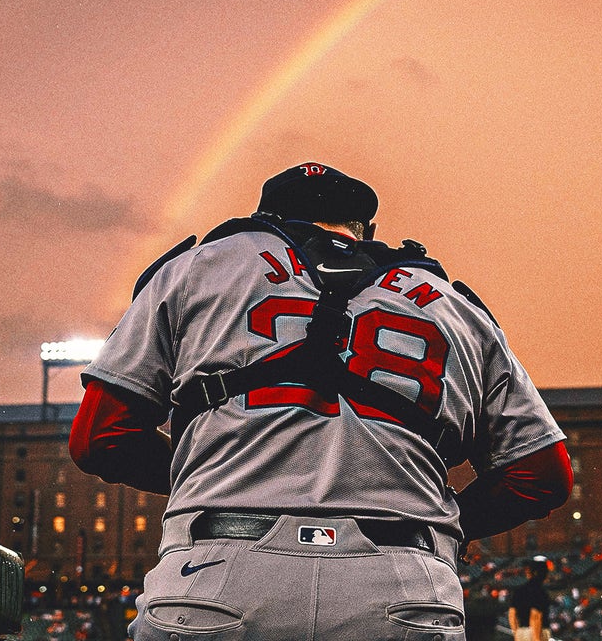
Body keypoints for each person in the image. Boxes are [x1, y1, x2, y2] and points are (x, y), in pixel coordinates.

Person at [70, 162, 573, 640]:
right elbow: (544, 474)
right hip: (404, 580)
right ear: (364, 230)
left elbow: (100, 437)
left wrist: (215, 473)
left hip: (217, 571)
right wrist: (450, 523)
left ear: (265, 219)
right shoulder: (456, 307)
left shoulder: (194, 269)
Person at [508, 556, 552, 641]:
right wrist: (536, 639)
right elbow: (535, 617)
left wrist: (516, 634)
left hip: (521, 633)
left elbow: (512, 615)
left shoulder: (518, 591)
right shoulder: (540, 592)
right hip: (537, 633)